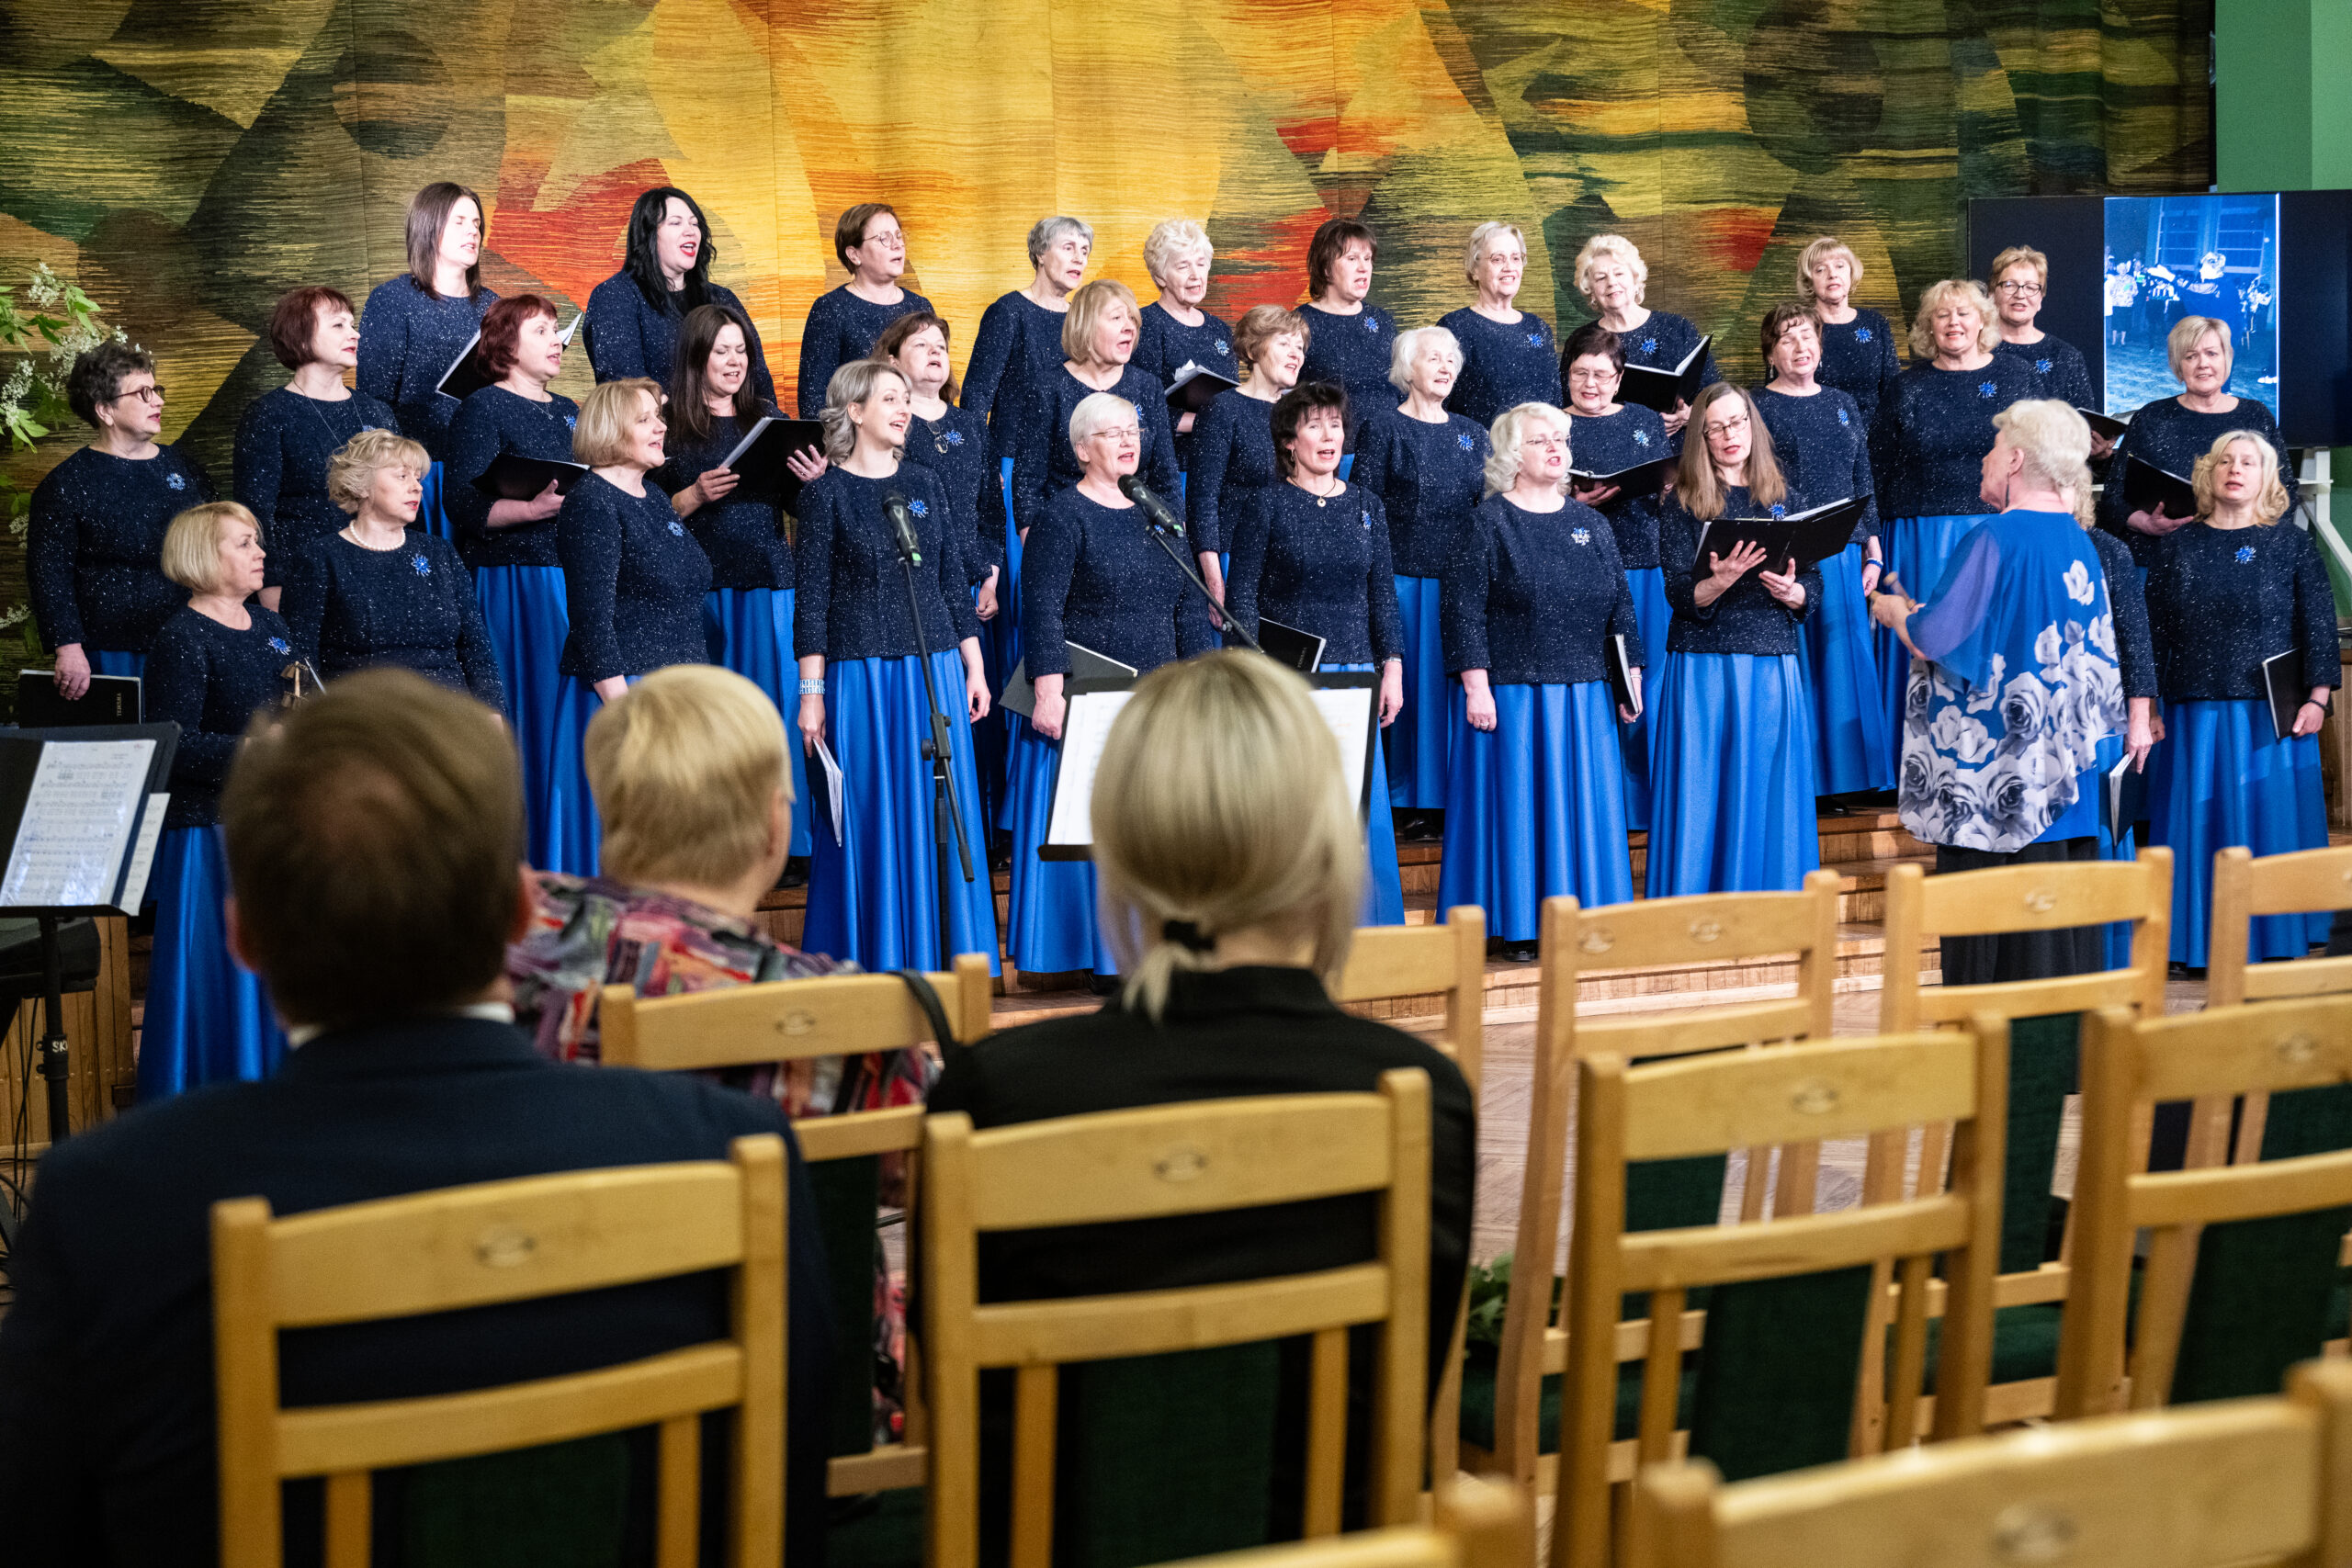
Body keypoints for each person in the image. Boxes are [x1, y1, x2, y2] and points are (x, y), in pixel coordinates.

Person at [0, 669, 837, 1568]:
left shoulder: (108, 1206)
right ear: (521, 908)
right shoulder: (732, 1154)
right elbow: (788, 1503)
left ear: (244, 938)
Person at [927, 649, 1472, 1546]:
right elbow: (1403, 1399)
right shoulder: (1418, 1092)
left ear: (1122, 841)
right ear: (1323, 837)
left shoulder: (998, 1093)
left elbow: (954, 1400)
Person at [508, 665, 936, 1444]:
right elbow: (936, 1176)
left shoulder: (512, 945)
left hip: (558, 1419)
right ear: (776, 826)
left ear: (610, 807)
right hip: (793, 1426)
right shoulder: (842, 1014)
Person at [1869, 401, 2134, 987]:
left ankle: (1985, 1044)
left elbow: (1934, 637)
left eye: (1991, 451)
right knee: (2055, 948)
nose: (1984, 463)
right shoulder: (2080, 542)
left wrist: (1894, 612)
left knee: (1993, 950)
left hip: (1995, 788)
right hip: (2064, 782)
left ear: (2015, 460)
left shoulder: (1993, 536)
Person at [793, 360, 996, 975]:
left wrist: (975, 668)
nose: (904, 408)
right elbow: (812, 603)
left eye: (906, 398)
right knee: (871, 816)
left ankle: (949, 960)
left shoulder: (925, 482)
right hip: (863, 678)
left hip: (934, 671)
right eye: (890, 398)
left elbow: (950, 583)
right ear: (854, 411)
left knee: (941, 813)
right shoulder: (824, 494)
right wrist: (811, 693)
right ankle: (875, 958)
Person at [1009, 392, 1217, 985]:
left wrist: (1198, 686)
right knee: (1097, 828)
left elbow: (1188, 605)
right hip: (1088, 698)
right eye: (1112, 433)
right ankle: (1102, 955)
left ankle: (1157, 945)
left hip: (1157, 694)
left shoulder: (1157, 509)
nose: (1129, 441)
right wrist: (1048, 690)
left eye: (1134, 430)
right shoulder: (1062, 515)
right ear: (1082, 450)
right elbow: (1042, 609)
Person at [1440, 402, 1641, 957]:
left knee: (1584, 812)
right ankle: (1522, 924)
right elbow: (1462, 612)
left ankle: (1588, 918)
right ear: (1512, 454)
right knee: (1518, 814)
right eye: (1540, 440)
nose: (1556, 448)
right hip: (1515, 695)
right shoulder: (1487, 522)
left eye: (1561, 438)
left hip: (1586, 694)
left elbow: (1621, 608)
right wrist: (1476, 686)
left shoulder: (1592, 524)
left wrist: (1630, 677)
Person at [2143, 431, 2336, 966]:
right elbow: (2152, 634)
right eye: (2226, 460)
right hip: (2193, 715)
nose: (2235, 469)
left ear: (2267, 477)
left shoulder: (2291, 544)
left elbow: (2318, 626)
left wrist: (2318, 698)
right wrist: (2148, 704)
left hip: (2271, 716)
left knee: (2269, 826)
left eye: (2249, 462)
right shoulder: (2176, 546)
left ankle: (2275, 938)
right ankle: (2192, 942)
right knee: (2195, 827)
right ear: (2209, 473)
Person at [1224, 382, 1407, 925]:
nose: (1329, 436)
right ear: (1289, 441)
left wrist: (1392, 668)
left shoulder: (1367, 506)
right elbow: (1241, 601)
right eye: (1314, 425)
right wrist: (1254, 676)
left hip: (1356, 675)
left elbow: (1382, 596)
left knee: (1357, 806)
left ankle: (1367, 927)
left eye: (1335, 425)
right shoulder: (1266, 504)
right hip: (1290, 679)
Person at [135, 501, 291, 1100]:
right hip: (208, 832)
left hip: (270, 822)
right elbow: (174, 745)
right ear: (205, 555)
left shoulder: (274, 629)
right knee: (217, 976)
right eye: (244, 543)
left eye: (258, 541)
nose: (260, 552)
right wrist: (257, 748)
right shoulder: (181, 638)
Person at [1647, 383, 1823, 897]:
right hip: (1705, 662)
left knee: (1769, 785)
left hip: (1770, 657)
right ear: (1701, 436)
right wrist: (1719, 581)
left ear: (1753, 426)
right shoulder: (1683, 502)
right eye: (1717, 427)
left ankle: (1773, 902)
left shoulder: (1784, 498)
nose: (1730, 434)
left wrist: (1794, 592)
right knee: (1703, 787)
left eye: (1738, 422)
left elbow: (1813, 582)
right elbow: (1678, 592)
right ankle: (1696, 903)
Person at [660, 302, 816, 870]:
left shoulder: (766, 419)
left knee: (775, 716)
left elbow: (799, 506)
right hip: (704, 594)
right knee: (715, 723)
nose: (734, 360)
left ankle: (787, 845)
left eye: (741, 350)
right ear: (696, 358)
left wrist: (813, 483)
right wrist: (694, 495)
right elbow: (644, 516)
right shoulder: (670, 427)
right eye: (721, 350)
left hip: (771, 586)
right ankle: (721, 847)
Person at [1872, 279, 2038, 778]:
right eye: (1941, 315)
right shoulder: (1906, 387)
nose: (1953, 323)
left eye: (1963, 313)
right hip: (1920, 538)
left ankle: (1994, 758)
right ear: (1928, 327)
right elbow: (1877, 468)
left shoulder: (2017, 376)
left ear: (1983, 320)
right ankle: (1920, 765)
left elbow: (2038, 459)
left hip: (1999, 534)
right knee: (1925, 643)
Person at [550, 378, 714, 874]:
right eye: (644, 419)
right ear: (609, 429)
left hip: (676, 694)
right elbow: (591, 622)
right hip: (623, 700)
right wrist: (627, 718)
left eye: (657, 417)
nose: (661, 427)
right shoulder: (592, 502)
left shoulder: (654, 497)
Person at [443, 293, 580, 866]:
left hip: (571, 576)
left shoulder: (570, 409)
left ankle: (566, 847)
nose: (557, 341)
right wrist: (530, 510)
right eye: (541, 330)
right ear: (506, 345)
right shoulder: (483, 408)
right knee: (528, 710)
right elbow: (460, 504)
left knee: (568, 717)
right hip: (513, 583)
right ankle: (519, 855)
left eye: (556, 330)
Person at [1351, 324, 1490, 833]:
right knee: (1407, 690)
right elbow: (1363, 508)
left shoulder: (1474, 433)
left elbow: (1488, 511)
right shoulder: (1384, 427)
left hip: (1461, 586)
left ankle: (1453, 796)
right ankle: (1406, 802)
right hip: (1402, 582)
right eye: (1434, 358)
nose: (1445, 367)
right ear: (1407, 369)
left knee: (1452, 690)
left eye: (1451, 359)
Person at [1751, 301, 1889, 800]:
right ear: (1770, 353)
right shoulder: (1753, 406)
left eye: (1807, 336)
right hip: (1786, 549)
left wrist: (1874, 549)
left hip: (1845, 550)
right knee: (1801, 665)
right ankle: (1802, 780)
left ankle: (1846, 782)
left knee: (1840, 660)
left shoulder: (1842, 402)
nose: (1800, 346)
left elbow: (1861, 478)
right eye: (1787, 339)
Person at [880, 310, 1005, 824]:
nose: (936, 353)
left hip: (973, 585)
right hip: (918, 587)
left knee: (979, 707)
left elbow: (990, 509)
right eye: (921, 345)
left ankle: (983, 826)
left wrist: (992, 573)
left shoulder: (970, 426)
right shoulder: (889, 426)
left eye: (941, 346)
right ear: (892, 362)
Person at [28, 341, 207, 694]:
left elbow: (218, 546)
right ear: (105, 410)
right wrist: (68, 648)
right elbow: (49, 574)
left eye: (156, 389)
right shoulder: (64, 484)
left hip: (187, 636)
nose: (158, 401)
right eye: (143, 393)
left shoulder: (185, 468)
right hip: (108, 649)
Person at [281, 428, 504, 708]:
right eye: (402, 476)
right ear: (362, 486)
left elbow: (477, 648)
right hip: (365, 719)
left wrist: (493, 711)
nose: (417, 487)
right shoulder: (319, 558)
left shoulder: (440, 553)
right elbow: (301, 662)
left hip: (449, 717)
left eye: (418, 478)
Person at [1559, 321, 1672, 829]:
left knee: (1647, 685)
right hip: (1576, 574)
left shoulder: (1644, 420)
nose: (1591, 384)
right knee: (1594, 686)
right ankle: (1599, 804)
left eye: (1602, 375)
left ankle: (1650, 801)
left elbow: (1668, 485)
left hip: (1645, 565)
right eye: (1580, 373)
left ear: (1620, 378)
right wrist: (1572, 502)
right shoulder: (1548, 422)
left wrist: (1669, 489)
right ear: (1566, 375)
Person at [232, 285, 401, 610]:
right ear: (301, 337)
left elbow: (401, 499)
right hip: (304, 578)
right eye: (338, 325)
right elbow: (255, 515)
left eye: (352, 324)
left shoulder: (378, 412)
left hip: (380, 572)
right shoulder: (269, 415)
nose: (355, 334)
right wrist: (271, 590)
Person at [356, 181, 497, 539]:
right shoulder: (392, 300)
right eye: (459, 222)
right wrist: (400, 473)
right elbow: (374, 401)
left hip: (486, 470)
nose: (473, 231)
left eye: (476, 223)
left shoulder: (493, 306)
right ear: (428, 227)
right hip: (422, 472)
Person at [2099, 315, 2300, 560]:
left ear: (2227, 358)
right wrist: (2145, 523)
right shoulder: (2151, 417)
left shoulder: (2257, 416)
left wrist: (2254, 537)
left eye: (2212, 353)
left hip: (2240, 556)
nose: (2203, 364)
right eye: (2191, 356)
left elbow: (2284, 490)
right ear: (2178, 365)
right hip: (2161, 556)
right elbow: (2113, 497)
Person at [1008, 277, 1181, 537]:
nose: (1129, 327)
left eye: (1132, 319)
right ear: (1086, 325)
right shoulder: (1048, 388)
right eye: (1117, 318)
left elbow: (1166, 478)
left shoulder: (1148, 386)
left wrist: (1177, 537)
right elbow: (1028, 483)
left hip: (1140, 530)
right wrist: (1036, 546)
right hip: (1068, 532)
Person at [584, 186, 777, 407]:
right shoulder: (615, 295)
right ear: (649, 235)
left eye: (694, 224)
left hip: (730, 425)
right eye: (676, 223)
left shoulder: (721, 298)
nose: (690, 231)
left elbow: (758, 381)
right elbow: (626, 390)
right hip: (660, 426)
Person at [960, 214, 1094, 526]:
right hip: (1013, 461)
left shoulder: (1081, 320)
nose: (1079, 258)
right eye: (1069, 247)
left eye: (1085, 251)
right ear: (1040, 254)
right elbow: (977, 395)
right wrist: (983, 462)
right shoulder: (1008, 311)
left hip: (1072, 465)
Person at [1187, 303, 1309, 603]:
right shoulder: (1223, 409)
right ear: (1254, 351)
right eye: (1284, 344)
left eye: (1300, 347)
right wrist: (1214, 582)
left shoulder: (1303, 414)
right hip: (1236, 559)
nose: (1296, 354)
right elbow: (1202, 502)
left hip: (1291, 561)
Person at [1571, 232, 1717, 444]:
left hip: (1681, 447)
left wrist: (1691, 414)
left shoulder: (1678, 327)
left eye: (1619, 273)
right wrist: (1640, 423)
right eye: (1601, 278)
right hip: (1615, 447)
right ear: (1591, 291)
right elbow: (1569, 407)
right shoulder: (1581, 340)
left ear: (1635, 279)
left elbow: (1714, 389)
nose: (1612, 282)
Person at [796, 201, 934, 419]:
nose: (897, 245)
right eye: (884, 238)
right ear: (854, 255)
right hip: (855, 434)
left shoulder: (920, 306)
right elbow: (813, 402)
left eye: (899, 236)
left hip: (916, 430)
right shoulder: (830, 309)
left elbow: (935, 387)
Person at [1130, 219, 1237, 463]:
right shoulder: (1145, 325)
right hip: (1173, 464)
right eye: (1183, 266)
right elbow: (1139, 409)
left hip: (1223, 462)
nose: (1195, 275)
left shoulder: (1220, 329)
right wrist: (1207, 421)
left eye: (1201, 264)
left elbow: (1232, 400)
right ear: (1160, 277)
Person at [1441, 220, 1560, 429]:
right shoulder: (1454, 327)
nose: (1509, 267)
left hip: (1537, 447)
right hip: (1479, 448)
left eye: (1516, 258)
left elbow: (1556, 404)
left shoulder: (1538, 328)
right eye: (1498, 259)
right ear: (1475, 269)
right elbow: (1435, 408)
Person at [1296, 217, 1400, 444]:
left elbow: (1402, 389)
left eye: (1368, 259)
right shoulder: (1299, 323)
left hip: (1389, 447)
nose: (1364, 267)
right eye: (1352, 258)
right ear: (1326, 268)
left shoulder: (1382, 321)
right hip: (1331, 452)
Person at [1798, 235, 1901, 437]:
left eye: (1840, 266)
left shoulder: (1876, 324)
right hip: (1815, 437)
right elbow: (1780, 394)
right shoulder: (1798, 328)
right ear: (1809, 281)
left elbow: (1892, 391)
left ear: (1851, 273)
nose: (1832, 274)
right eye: (1821, 269)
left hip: (1874, 439)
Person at [1988, 244, 2099, 423]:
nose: (2020, 294)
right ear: (1992, 294)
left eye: (2031, 287)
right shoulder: (1975, 352)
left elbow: (2083, 427)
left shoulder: (2067, 357)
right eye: (2010, 285)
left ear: (2041, 298)